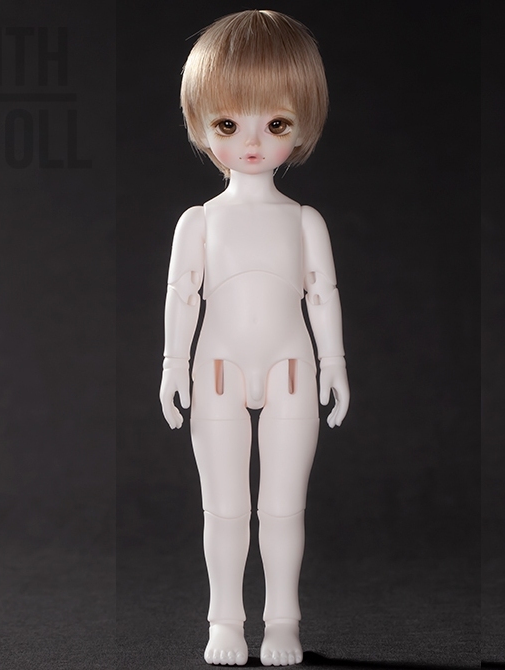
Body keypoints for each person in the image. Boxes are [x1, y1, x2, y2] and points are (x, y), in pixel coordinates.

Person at [160, 10, 349, 667]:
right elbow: (182, 296)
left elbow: (322, 294)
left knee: (283, 509)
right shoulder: (199, 222)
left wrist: (335, 363)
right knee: (224, 509)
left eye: (275, 124)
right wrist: (172, 365)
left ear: (301, 125)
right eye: (227, 124)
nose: (251, 142)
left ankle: (283, 621)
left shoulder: (304, 221)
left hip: (292, 368)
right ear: (201, 125)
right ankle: (224, 620)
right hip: (216, 369)